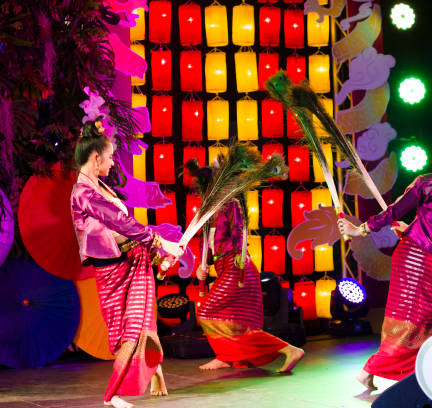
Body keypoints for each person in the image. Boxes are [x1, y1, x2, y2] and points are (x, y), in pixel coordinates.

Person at [339, 121, 432, 390]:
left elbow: (392, 212)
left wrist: (359, 229)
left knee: (409, 318)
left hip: (413, 258)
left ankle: (378, 369)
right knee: (420, 319)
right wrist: (412, 229)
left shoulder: (429, 183)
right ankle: (395, 371)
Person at [70, 119, 184, 408]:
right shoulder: (83, 193)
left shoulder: (102, 188)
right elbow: (119, 222)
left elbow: (127, 232)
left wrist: (161, 254)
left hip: (135, 261)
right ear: (95, 159)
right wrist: (161, 242)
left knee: (141, 324)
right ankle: (119, 391)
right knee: (128, 331)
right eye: (108, 158)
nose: (111, 164)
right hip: (114, 270)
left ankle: (135, 381)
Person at [193, 179, 304, 373]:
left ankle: (286, 349)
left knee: (206, 312)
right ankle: (227, 356)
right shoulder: (205, 219)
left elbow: (238, 232)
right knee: (234, 323)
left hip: (237, 267)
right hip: (222, 268)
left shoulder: (231, 205)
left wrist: (240, 252)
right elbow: (208, 256)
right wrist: (201, 269)